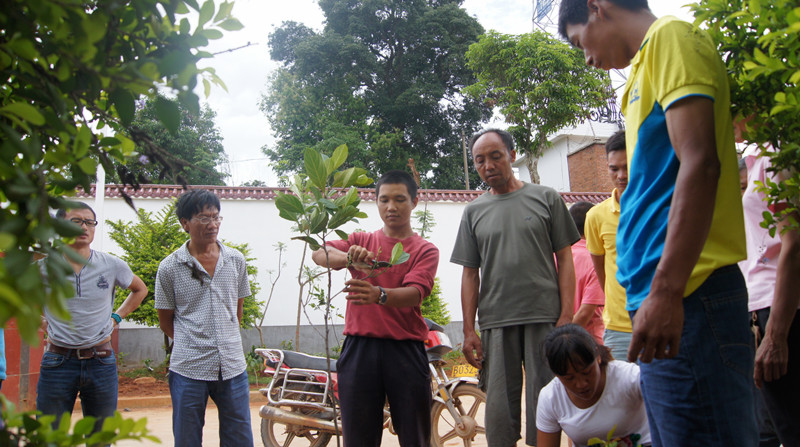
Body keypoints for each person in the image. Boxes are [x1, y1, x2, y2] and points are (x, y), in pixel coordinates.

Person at [560, 1, 757, 446]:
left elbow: (701, 162)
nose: (587, 58)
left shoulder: (670, 37)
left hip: (690, 296)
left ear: (597, 7)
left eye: (578, 42)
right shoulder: (639, 75)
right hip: (662, 303)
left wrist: (667, 291)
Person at [451, 128, 579, 446]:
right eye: (479, 160)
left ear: (511, 154)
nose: (488, 165)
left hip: (544, 318)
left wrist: (566, 315)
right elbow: (470, 274)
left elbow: (566, 259)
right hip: (496, 321)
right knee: (498, 408)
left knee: (545, 400)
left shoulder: (546, 198)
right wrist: (469, 330)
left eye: (495, 156)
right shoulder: (473, 212)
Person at [312, 170, 438, 446]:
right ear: (377, 202)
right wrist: (349, 258)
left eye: (399, 199)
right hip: (359, 349)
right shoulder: (361, 241)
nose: (391, 207)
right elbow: (319, 252)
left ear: (414, 202)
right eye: (384, 200)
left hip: (405, 350)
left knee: (415, 436)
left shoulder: (424, 250)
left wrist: (379, 295)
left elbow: (416, 293)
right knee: (358, 438)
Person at [37, 202, 148, 430]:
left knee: (100, 438)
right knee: (49, 437)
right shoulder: (44, 268)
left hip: (101, 360)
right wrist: (40, 321)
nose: (84, 227)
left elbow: (140, 289)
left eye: (89, 222)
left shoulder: (111, 264)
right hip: (57, 361)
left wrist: (116, 318)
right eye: (76, 221)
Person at [155, 190, 253, 447]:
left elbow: (237, 310)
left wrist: (225, 338)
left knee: (239, 439)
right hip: (188, 368)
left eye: (216, 217)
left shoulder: (235, 261)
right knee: (187, 439)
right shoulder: (169, 267)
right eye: (203, 218)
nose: (212, 225)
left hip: (232, 365)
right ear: (185, 223)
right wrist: (192, 341)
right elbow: (165, 319)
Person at [740, 144, 800, 445]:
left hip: (780, 306)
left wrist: (775, 335)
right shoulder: (759, 160)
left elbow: (793, 243)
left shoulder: (776, 159)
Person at [537, 324, 650, 447]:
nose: (581, 384)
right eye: (569, 378)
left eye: (587, 372)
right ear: (556, 375)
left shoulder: (629, 377)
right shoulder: (550, 397)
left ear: (598, 357)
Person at [585, 130, 632, 361]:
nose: (621, 175)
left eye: (628, 166)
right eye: (614, 169)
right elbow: (601, 270)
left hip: (661, 320)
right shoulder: (596, 216)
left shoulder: (660, 209)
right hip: (618, 328)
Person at [568, 202, 605, 345]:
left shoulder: (556, 258)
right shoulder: (595, 261)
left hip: (560, 343)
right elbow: (585, 313)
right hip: (590, 345)